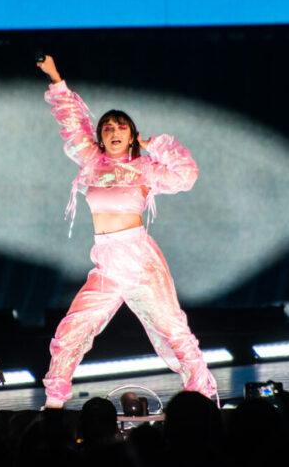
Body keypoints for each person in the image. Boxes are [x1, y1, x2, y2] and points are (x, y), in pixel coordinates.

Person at [37, 55, 218, 409]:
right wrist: (56, 77)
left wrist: (150, 143)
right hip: (106, 267)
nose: (114, 131)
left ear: (131, 135)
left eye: (122, 127)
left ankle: (202, 400)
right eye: (107, 127)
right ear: (100, 137)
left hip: (140, 263)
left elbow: (186, 174)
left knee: (175, 331)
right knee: (71, 329)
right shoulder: (92, 162)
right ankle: (54, 405)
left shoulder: (144, 169)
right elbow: (72, 122)